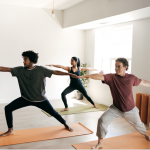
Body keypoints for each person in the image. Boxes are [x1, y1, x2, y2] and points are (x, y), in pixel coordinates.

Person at [0, 50, 78, 137]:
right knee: (8, 108)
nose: (23, 61)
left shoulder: (41, 70)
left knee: (53, 113)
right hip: (25, 98)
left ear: (31, 61)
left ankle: (65, 124)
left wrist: (69, 74)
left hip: (40, 99)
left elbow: (55, 72)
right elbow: (4, 68)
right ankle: (10, 130)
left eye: (25, 59)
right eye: (23, 59)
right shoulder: (19, 70)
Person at [79, 58, 150, 149]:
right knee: (102, 120)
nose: (116, 68)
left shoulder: (131, 78)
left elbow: (143, 82)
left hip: (131, 110)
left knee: (139, 124)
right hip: (116, 108)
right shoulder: (112, 77)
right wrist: (86, 76)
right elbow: (100, 77)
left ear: (125, 67)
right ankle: (100, 143)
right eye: (115, 66)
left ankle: (145, 134)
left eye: (118, 66)